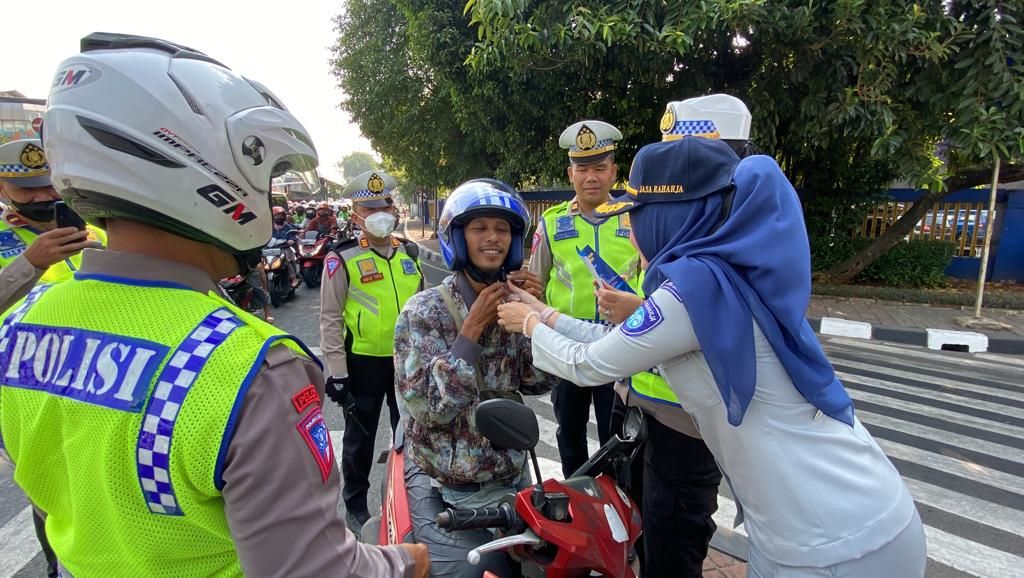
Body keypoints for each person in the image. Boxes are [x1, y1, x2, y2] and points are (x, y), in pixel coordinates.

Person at [0, 32, 428, 577]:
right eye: (263, 176)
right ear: (206, 172)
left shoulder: (18, 330)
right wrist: (407, 564)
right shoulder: (248, 369)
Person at [496, 100, 926, 577]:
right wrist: (545, 313)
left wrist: (530, 324)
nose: (633, 225)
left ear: (671, 217)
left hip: (830, 540)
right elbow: (616, 337)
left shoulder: (693, 287)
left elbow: (592, 363)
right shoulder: (720, 274)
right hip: (833, 519)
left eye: (641, 212)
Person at [394, 179, 559, 578]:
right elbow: (426, 408)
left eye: (502, 229)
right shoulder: (424, 312)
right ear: (457, 236)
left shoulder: (512, 305)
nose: (492, 238)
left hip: (509, 472)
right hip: (442, 482)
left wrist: (539, 318)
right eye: (479, 228)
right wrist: (470, 333)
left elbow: (537, 382)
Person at [528, 120, 640, 478]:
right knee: (570, 431)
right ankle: (576, 499)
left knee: (616, 435)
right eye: (583, 169)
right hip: (566, 345)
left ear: (614, 173)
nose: (591, 177)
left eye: (599, 168)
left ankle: (616, 504)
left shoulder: (634, 220)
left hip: (619, 343)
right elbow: (535, 282)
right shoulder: (551, 223)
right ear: (571, 174)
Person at [319, 170, 423, 535]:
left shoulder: (408, 253)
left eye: (385, 204)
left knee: (409, 433)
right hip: (362, 364)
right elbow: (330, 319)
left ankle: (410, 498)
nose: (381, 212)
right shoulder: (341, 258)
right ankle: (356, 506)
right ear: (356, 213)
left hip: (407, 363)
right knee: (359, 439)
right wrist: (337, 372)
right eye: (370, 207)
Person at [0, 139, 107, 313]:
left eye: (50, 186)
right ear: (2, 190)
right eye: (26, 190)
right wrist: (30, 263)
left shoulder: (96, 226)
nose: (42, 197)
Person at [270, 205, 301, 287]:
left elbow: (292, 235)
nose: (279, 217)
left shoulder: (287, 226)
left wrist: (291, 240)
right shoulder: (268, 227)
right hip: (270, 250)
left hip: (284, 248)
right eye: (277, 216)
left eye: (281, 216)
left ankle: (293, 278)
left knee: (285, 259)